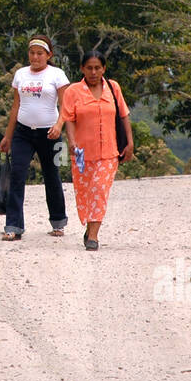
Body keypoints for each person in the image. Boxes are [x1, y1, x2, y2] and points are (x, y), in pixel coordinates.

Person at [0, 34, 69, 241]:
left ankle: (58, 222)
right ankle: (13, 225)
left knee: (52, 175)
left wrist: (58, 126)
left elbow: (66, 106)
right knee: (17, 175)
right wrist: (8, 136)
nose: (35, 57)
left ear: (49, 55)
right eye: (32, 53)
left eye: (40, 53)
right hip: (23, 132)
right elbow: (16, 106)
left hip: (49, 133)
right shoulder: (20, 74)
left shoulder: (57, 75)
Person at [60, 50, 133, 250]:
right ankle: (90, 226)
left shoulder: (113, 87)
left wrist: (130, 143)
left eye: (97, 68)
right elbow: (69, 119)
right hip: (83, 153)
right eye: (89, 68)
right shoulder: (73, 91)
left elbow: (124, 116)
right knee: (85, 193)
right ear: (82, 69)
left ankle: (93, 236)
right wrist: (72, 143)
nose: (93, 72)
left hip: (109, 152)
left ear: (104, 69)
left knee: (99, 190)